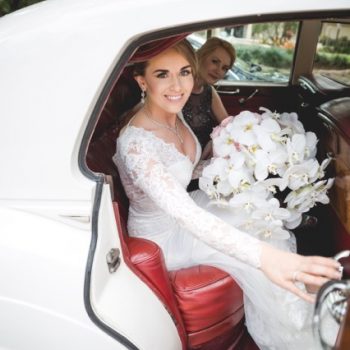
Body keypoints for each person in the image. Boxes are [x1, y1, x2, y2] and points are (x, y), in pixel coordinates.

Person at [113, 39, 341, 349]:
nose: (177, 85)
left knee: (261, 219)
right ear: (142, 80)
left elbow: (185, 171)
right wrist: (266, 258)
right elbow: (183, 211)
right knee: (260, 245)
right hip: (163, 236)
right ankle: (303, 332)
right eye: (162, 74)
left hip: (184, 209)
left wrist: (240, 158)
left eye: (184, 72)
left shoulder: (173, 112)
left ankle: (313, 311)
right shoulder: (136, 144)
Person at [182, 37, 236, 152]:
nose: (218, 71)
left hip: (206, 157)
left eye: (224, 68)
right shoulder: (177, 87)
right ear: (200, 55)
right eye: (215, 61)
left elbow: (228, 126)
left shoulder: (209, 91)